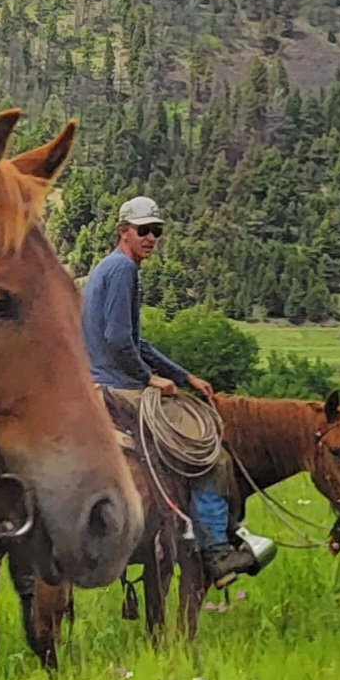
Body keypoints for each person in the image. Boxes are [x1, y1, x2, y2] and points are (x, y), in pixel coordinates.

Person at [81, 196, 262, 583]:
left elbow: (136, 342)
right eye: (143, 230)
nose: (151, 238)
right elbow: (118, 340)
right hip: (120, 386)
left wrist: (183, 377)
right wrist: (149, 379)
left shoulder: (109, 269)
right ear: (123, 232)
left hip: (106, 381)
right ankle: (215, 550)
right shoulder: (123, 270)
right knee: (209, 452)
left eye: (156, 231)